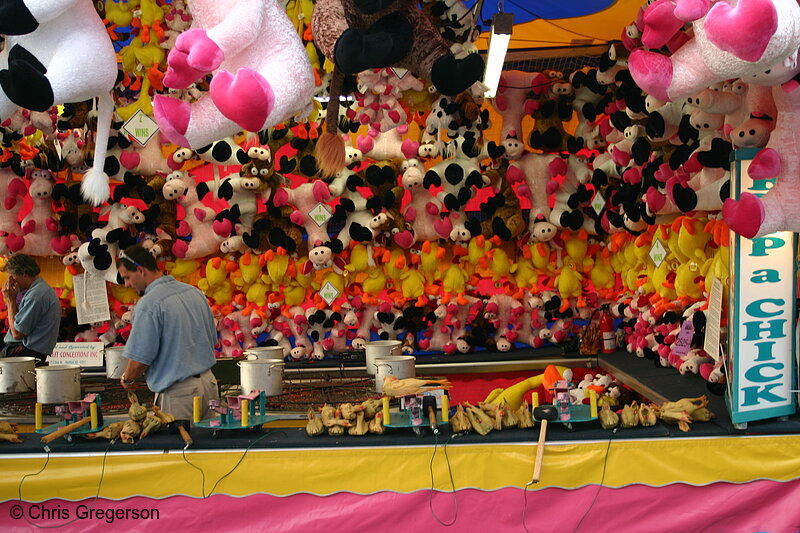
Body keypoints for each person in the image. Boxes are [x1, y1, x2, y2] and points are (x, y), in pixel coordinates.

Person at [116, 244, 219, 421]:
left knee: (180, 448)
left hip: (180, 394)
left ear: (140, 271)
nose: (127, 284)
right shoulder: (194, 292)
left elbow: (140, 358)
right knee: (208, 447)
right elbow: (212, 339)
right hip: (209, 386)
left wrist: (128, 379)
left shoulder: (149, 304)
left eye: (127, 277)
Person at [1, 254, 61, 364]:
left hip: (25, 351)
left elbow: (17, 333)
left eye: (12, 277)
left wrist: (10, 301)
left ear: (23, 273)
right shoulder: (39, 290)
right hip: (27, 350)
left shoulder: (37, 295)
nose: (11, 282)